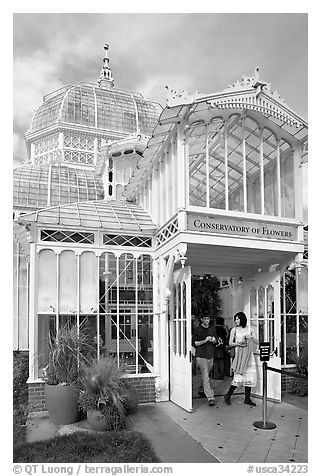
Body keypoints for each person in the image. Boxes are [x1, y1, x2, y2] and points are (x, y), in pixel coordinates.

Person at [224, 311, 259, 406]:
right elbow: (230, 343)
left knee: (249, 377)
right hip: (239, 355)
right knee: (238, 377)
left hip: (249, 355)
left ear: (242, 319)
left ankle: (247, 398)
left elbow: (257, 342)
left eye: (237, 319)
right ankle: (228, 395)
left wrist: (251, 337)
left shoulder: (250, 329)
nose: (236, 321)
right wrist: (239, 343)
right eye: (235, 319)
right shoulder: (234, 330)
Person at [192, 315, 217, 406]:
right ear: (201, 319)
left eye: (208, 318)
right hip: (201, 355)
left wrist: (214, 340)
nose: (207, 320)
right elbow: (195, 343)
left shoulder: (212, 328)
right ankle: (210, 397)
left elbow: (216, 341)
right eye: (205, 318)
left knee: (206, 375)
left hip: (210, 354)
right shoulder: (197, 329)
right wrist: (205, 340)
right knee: (205, 374)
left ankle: (201, 389)